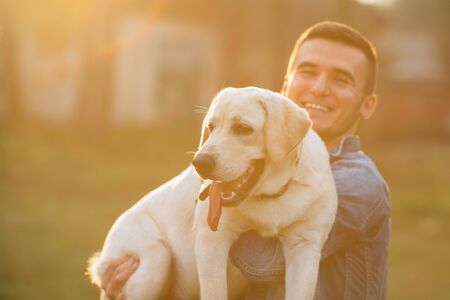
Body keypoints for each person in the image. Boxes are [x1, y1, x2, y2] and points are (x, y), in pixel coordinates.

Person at [99, 21, 391, 300]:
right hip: (142, 239)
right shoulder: (243, 164)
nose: (318, 88)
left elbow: (262, 262)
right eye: (308, 71)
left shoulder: (358, 182)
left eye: (341, 79)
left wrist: (211, 222)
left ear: (368, 105)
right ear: (285, 86)